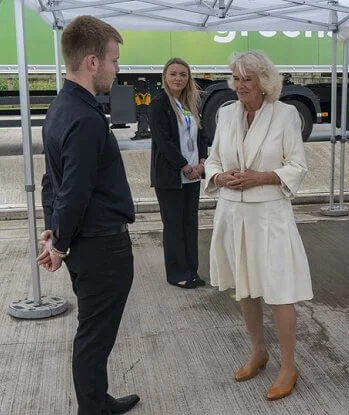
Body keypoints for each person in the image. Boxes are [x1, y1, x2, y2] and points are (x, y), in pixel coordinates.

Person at [37, 15, 140, 415]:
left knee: (92, 332)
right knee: (94, 337)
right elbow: (74, 190)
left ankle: (98, 401)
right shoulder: (84, 117)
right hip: (101, 247)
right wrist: (58, 244)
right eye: (114, 61)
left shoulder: (61, 107)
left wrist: (54, 231)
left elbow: (53, 181)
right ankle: (93, 410)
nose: (117, 70)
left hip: (83, 243)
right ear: (93, 62)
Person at [204, 50, 312, 401]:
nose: (239, 86)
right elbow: (213, 158)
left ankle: (289, 365)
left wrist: (260, 177)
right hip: (233, 213)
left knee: (280, 292)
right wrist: (220, 176)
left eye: (247, 79)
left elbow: (297, 165)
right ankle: (257, 351)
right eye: (235, 78)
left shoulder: (285, 115)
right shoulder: (224, 114)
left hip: (270, 215)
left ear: (264, 82)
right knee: (245, 289)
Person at [149, 57, 208, 289]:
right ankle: (177, 274)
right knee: (173, 226)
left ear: (188, 78)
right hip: (171, 176)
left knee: (190, 224)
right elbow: (163, 141)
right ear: (165, 76)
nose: (178, 78)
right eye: (173, 74)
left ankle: (192, 270)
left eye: (183, 74)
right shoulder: (159, 103)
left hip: (193, 175)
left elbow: (202, 136)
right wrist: (184, 166)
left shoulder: (191, 103)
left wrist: (202, 164)